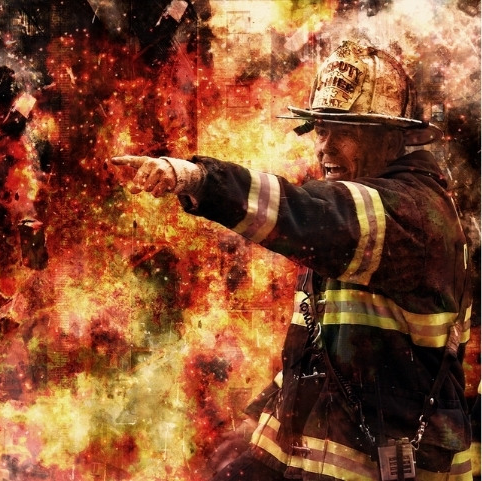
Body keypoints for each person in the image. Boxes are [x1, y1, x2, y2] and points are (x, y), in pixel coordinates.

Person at [108, 38, 475, 479]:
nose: (324, 147)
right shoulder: (355, 216)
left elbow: (305, 213)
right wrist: (259, 419)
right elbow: (324, 350)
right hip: (312, 457)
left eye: (344, 130)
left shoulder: (411, 213)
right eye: (321, 128)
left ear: (390, 137)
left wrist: (200, 179)